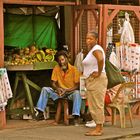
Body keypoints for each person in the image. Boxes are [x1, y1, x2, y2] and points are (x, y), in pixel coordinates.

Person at [34, 50, 82, 125]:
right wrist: (57, 89)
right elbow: (53, 82)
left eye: (62, 60)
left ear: (67, 59)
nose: (61, 62)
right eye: (59, 61)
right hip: (58, 93)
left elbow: (77, 86)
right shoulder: (56, 68)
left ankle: (76, 116)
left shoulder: (74, 69)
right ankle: (40, 112)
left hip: (70, 93)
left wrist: (66, 90)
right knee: (45, 89)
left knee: (77, 93)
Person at [82, 31, 108, 136]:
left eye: (90, 38)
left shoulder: (96, 49)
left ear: (96, 39)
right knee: (94, 104)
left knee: (97, 104)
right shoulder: (92, 50)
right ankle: (98, 127)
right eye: (87, 38)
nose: (88, 40)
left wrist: (99, 71)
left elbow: (101, 59)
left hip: (97, 80)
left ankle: (98, 129)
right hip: (92, 80)